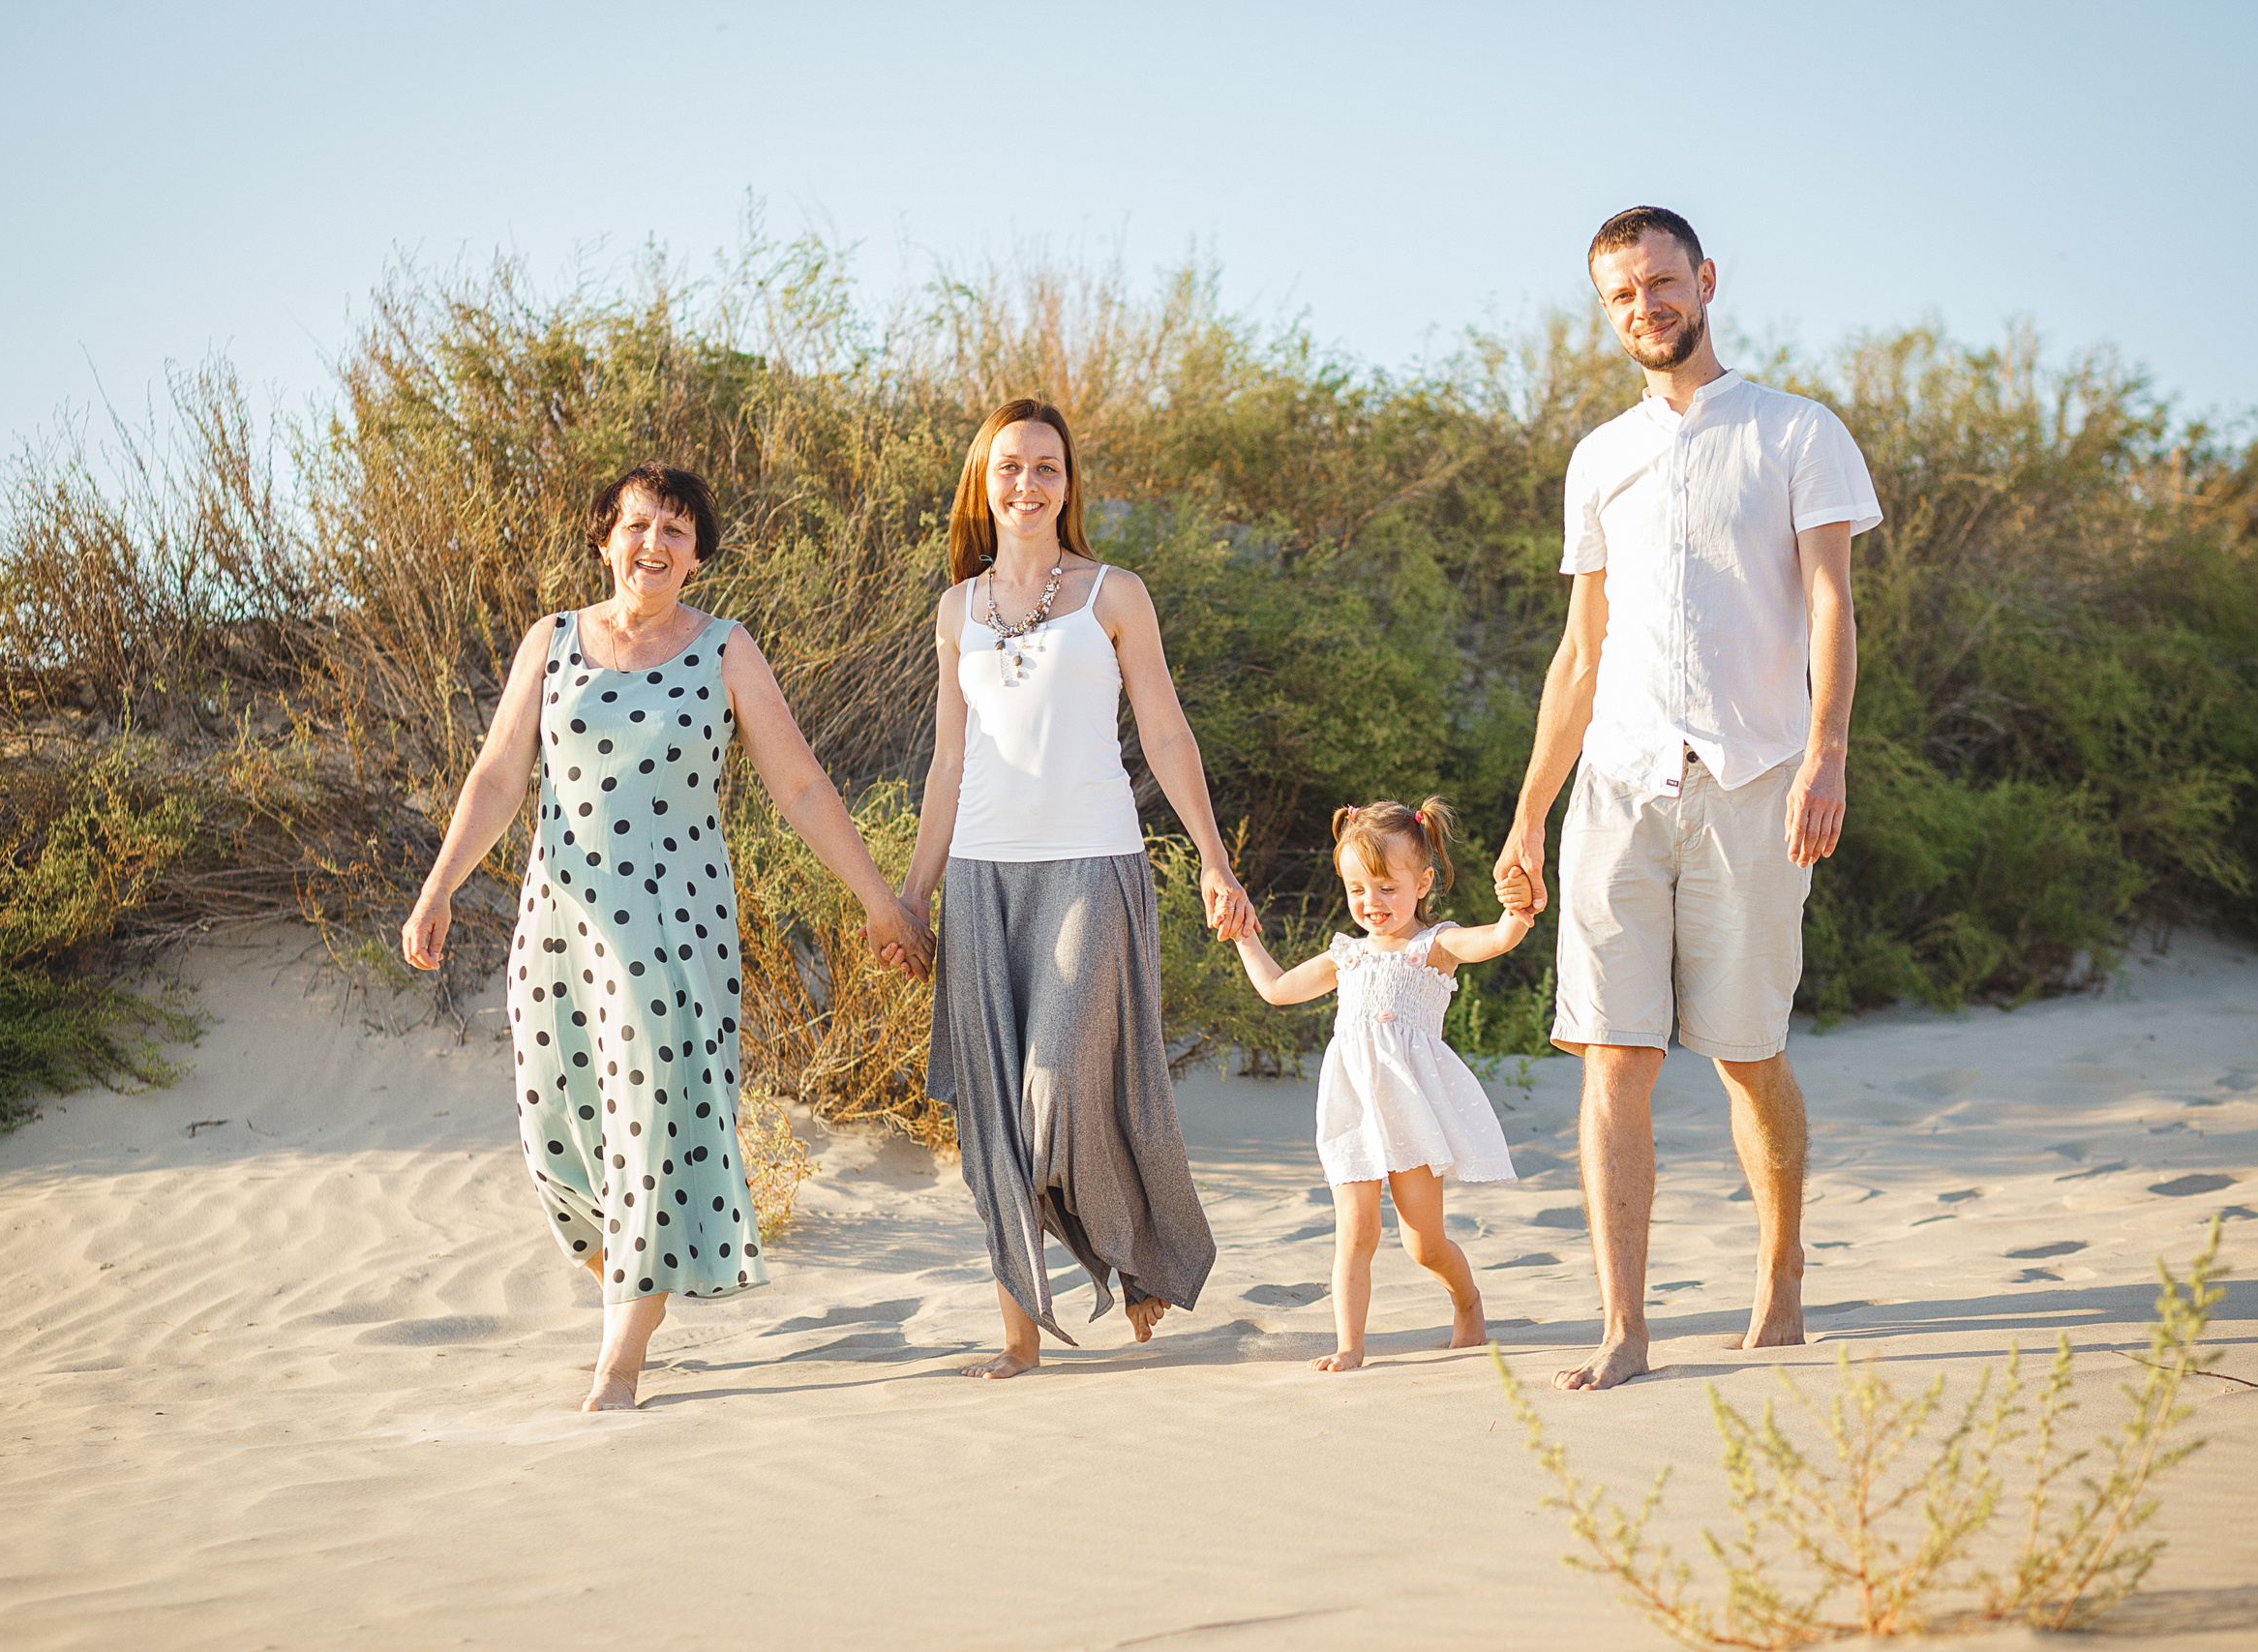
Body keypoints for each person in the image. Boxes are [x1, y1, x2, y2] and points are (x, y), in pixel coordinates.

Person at [402, 463, 932, 1412]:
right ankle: (629, 1275)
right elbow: (495, 777)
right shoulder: (551, 642)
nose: (654, 544)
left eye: (676, 531)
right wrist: (439, 887)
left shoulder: (724, 651)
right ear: (605, 537)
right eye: (639, 525)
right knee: (554, 1131)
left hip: (677, 925)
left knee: (650, 1130)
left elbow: (800, 785)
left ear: (698, 556)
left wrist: (878, 901)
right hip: (559, 923)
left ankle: (624, 1356)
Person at [1493, 206, 1882, 1392]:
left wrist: (1827, 750)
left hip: (1754, 783)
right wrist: (1526, 812)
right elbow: (1579, 651)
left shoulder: (1794, 432)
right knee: (1612, 1054)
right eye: (1620, 295)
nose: (1643, 309)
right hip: (1616, 789)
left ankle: (1779, 1279)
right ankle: (1623, 1326)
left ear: (1704, 281)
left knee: (1745, 1053)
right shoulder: (1597, 456)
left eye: (1659, 284)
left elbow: (1829, 606)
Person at [899, 398, 1253, 1379]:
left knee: (1055, 1085)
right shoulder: (955, 610)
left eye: (1047, 466)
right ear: (983, 481)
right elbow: (946, 764)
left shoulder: (1113, 595)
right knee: (994, 1116)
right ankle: (1020, 1337)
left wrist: (1216, 863)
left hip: (1090, 864)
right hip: (978, 877)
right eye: (1008, 466)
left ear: (1068, 482)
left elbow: (1167, 734)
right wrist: (914, 891)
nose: (1027, 483)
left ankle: (1135, 1252)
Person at [1231, 797, 1531, 1371]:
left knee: (1424, 1245)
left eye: (1387, 888)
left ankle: (1467, 1301)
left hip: (1410, 1114)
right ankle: (1351, 1344)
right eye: (1357, 889)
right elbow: (1276, 989)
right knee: (1357, 1229)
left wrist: (1517, 912)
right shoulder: (1347, 956)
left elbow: (1494, 940)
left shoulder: (1435, 946)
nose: (1371, 903)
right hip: (1352, 1112)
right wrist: (1246, 937)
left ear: (1422, 882)